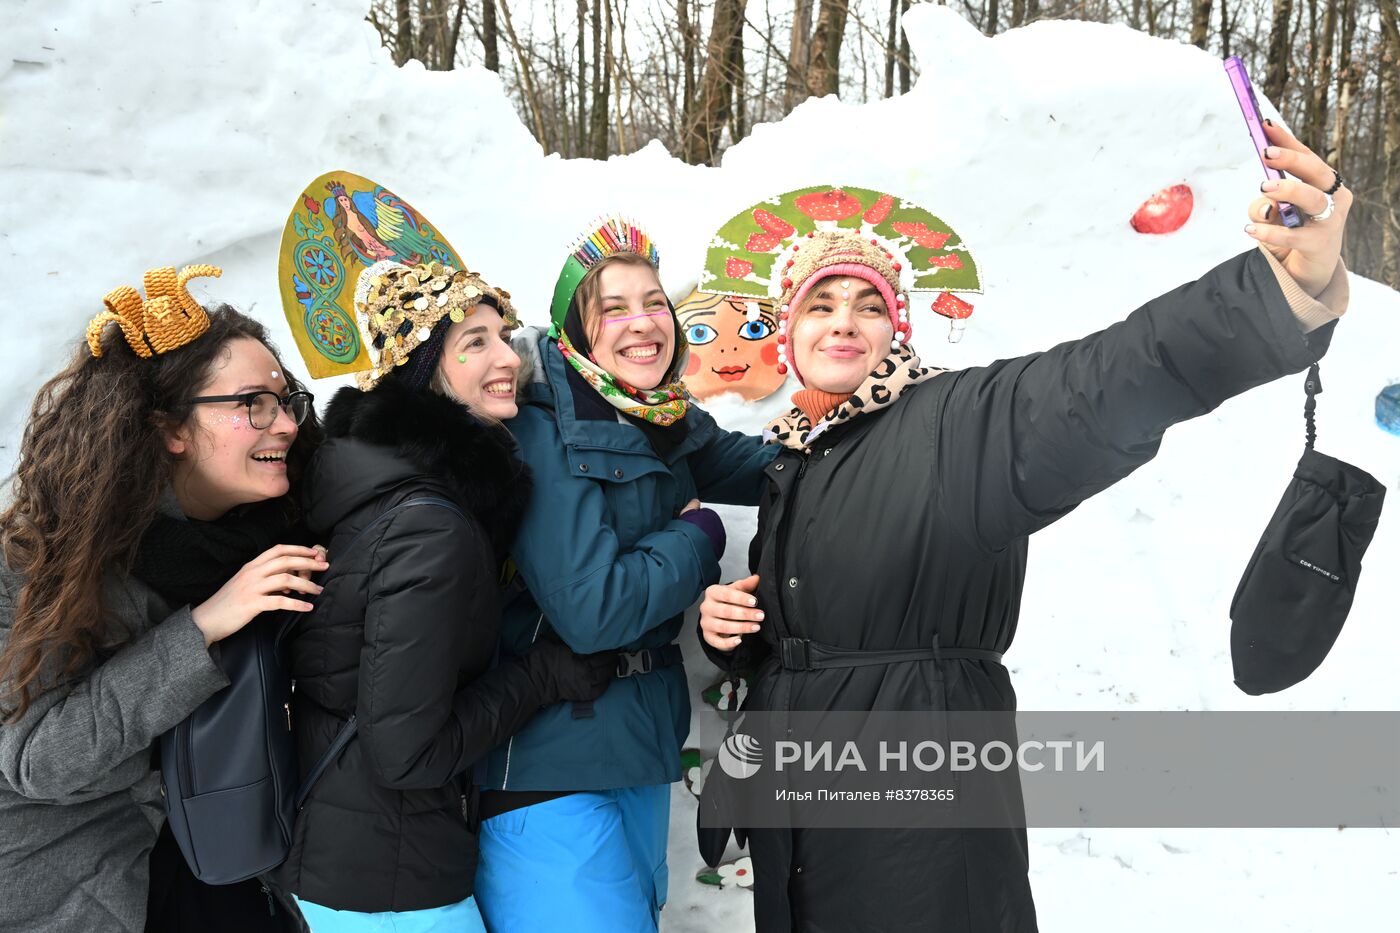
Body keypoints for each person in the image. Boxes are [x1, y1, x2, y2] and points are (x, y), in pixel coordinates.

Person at [697, 123, 1353, 931]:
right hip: (804, 823)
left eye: (869, 305)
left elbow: (1098, 384)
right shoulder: (799, 460)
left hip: (918, 834)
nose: (843, 321)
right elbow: (814, 631)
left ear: (895, 330)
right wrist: (735, 632)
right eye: (821, 305)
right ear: (790, 335)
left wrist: (1280, 292)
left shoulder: (949, 427)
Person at [274, 257, 617, 932]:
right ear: (422, 369)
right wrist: (542, 674)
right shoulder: (430, 524)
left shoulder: (379, 488)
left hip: (350, 861)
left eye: (503, 336)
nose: (506, 358)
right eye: (474, 343)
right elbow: (408, 752)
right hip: (390, 886)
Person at [472, 218, 778, 932]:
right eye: (612, 308)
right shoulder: (542, 429)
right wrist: (697, 534)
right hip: (549, 768)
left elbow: (770, 469)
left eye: (653, 302)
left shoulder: (660, 416)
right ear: (576, 331)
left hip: (634, 747)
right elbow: (593, 610)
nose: (641, 323)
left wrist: (862, 417)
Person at [0, 265, 324, 933]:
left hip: (226, 861)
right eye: (250, 404)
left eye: (285, 399)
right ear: (170, 429)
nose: (284, 424)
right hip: (88, 889)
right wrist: (202, 626)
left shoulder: (257, 530)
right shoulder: (40, 562)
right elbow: (40, 760)